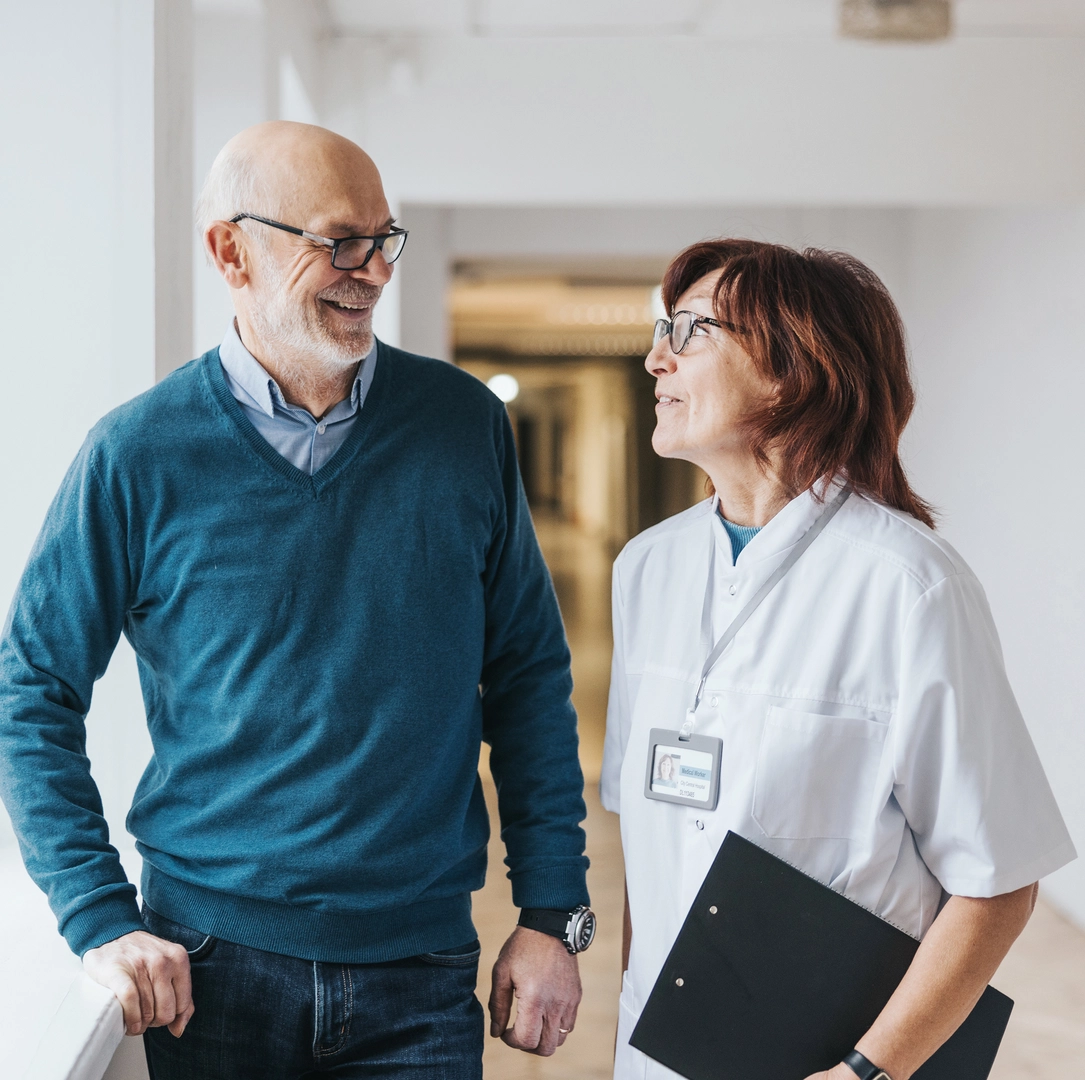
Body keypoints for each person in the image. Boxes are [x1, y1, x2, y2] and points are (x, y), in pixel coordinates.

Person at [0, 121, 594, 1080]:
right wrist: (97, 913)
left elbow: (526, 675)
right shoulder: (137, 455)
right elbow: (29, 691)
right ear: (229, 250)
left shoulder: (462, 427)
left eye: (382, 239)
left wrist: (552, 911)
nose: (369, 269)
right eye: (335, 240)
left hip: (422, 970)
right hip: (211, 970)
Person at [601, 238, 1075, 1080]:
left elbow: (997, 879)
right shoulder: (647, 567)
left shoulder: (908, 585)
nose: (655, 356)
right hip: (659, 1048)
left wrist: (868, 1071)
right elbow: (652, 842)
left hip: (827, 1059)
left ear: (791, 369)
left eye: (690, 329)